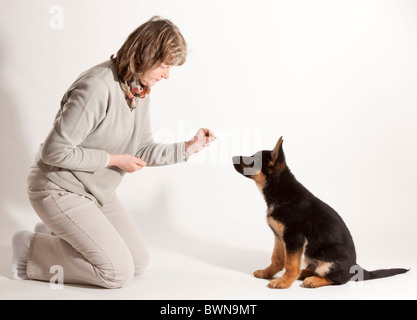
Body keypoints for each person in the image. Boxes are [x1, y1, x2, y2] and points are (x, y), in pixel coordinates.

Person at [11, 16, 216, 289]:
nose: (167, 74)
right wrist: (114, 160)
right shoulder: (96, 87)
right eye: (165, 65)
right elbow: (54, 152)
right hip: (58, 188)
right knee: (117, 272)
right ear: (145, 55)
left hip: (96, 191)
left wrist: (188, 148)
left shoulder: (138, 90)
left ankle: (58, 235)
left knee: (137, 261)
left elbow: (141, 149)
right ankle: (32, 248)